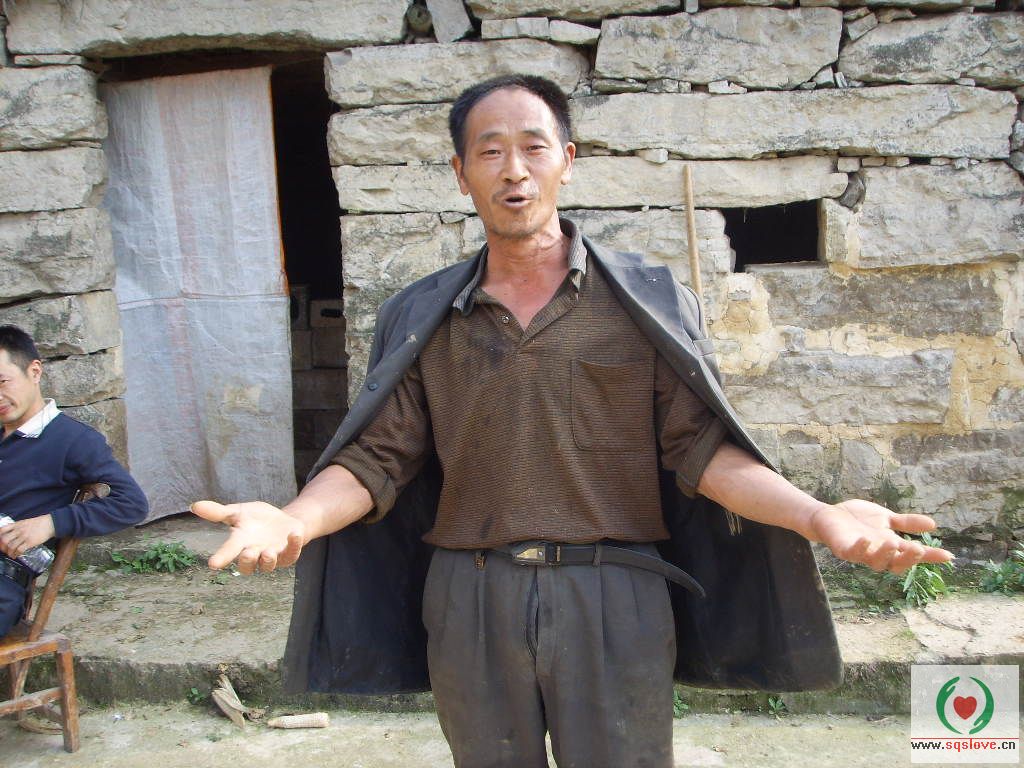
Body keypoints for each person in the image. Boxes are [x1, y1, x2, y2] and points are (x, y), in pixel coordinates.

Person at [193, 75, 953, 767]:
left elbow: (703, 451)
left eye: (533, 147)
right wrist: (294, 520)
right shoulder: (422, 314)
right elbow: (376, 459)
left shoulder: (644, 300)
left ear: (567, 160)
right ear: (461, 173)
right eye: (490, 151)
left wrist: (818, 516)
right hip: (470, 595)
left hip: (614, 591)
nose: (513, 170)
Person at [0, 325, 149, 636]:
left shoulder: (73, 440)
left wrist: (51, 523)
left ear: (34, 371)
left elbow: (132, 503)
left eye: (3, 382)